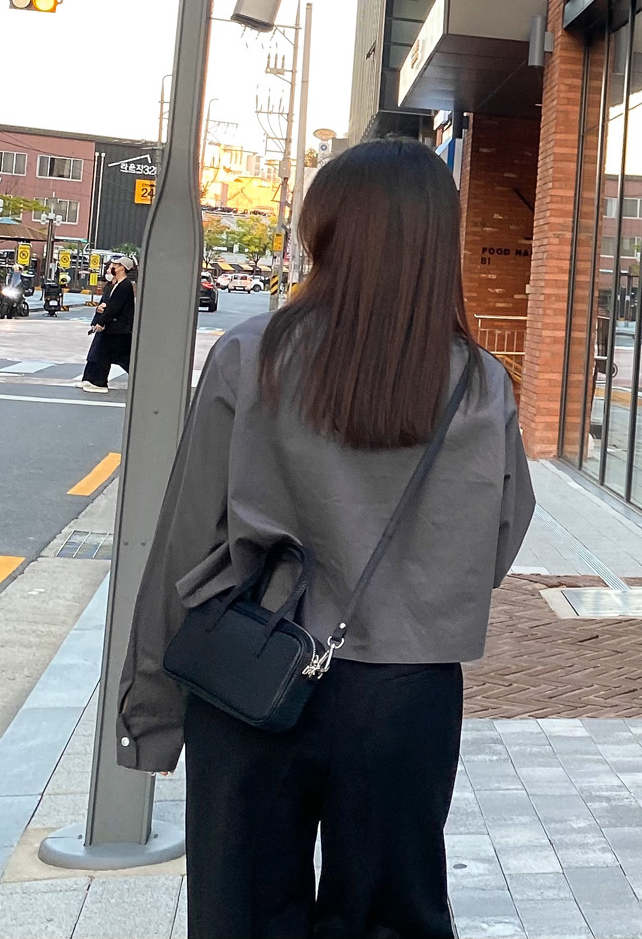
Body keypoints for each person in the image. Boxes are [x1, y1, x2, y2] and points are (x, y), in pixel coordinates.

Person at [116, 139, 536, 939]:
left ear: (327, 230)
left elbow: (185, 541)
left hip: (251, 667)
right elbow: (501, 534)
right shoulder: (479, 380)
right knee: (391, 915)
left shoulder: (252, 357)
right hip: (406, 691)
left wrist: (152, 712)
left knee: (244, 911)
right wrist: (419, 586)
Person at [80, 256, 136, 393]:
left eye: (115, 265)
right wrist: (98, 316)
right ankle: (90, 379)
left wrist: (102, 321)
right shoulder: (113, 285)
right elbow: (107, 304)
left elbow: (115, 307)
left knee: (107, 355)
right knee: (99, 353)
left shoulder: (125, 286)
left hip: (118, 329)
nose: (112, 267)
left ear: (122, 268)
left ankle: (99, 382)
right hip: (111, 327)